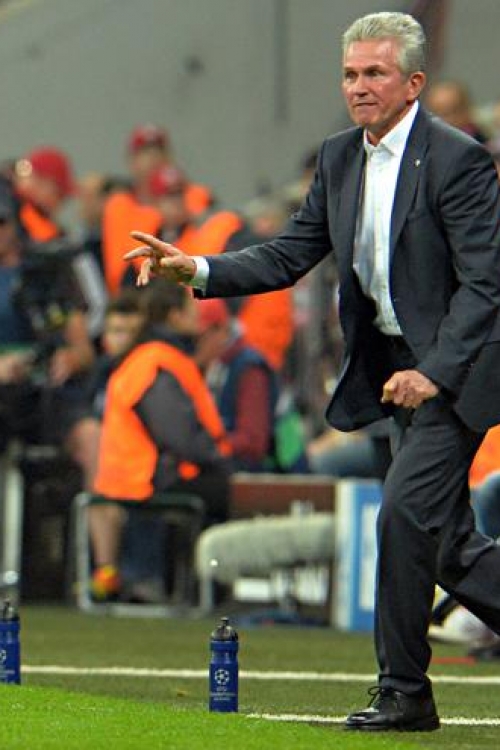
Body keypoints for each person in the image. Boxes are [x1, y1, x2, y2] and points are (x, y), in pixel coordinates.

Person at [124, 11, 500, 732]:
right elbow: (289, 253)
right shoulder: (338, 157)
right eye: (350, 74)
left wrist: (435, 373)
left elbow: (486, 285)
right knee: (447, 546)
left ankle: (405, 692)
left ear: (414, 83)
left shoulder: (458, 159)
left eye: (375, 73)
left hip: (459, 367)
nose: (358, 87)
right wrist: (195, 268)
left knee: (403, 516)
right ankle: (405, 688)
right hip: (395, 372)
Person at [89, 280, 232, 601]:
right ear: (174, 316)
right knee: (236, 492)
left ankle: (196, 585)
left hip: (137, 475)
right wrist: (219, 459)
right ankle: (210, 586)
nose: (198, 316)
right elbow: (178, 435)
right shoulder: (157, 361)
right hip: (147, 478)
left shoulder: (149, 357)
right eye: (191, 309)